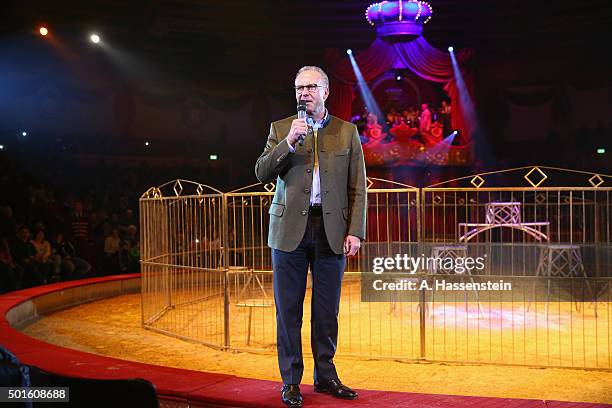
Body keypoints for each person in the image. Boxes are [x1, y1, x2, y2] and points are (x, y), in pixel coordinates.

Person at [255, 66, 366, 407]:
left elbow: (357, 186)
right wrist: (288, 142)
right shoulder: (281, 129)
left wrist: (356, 232)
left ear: (326, 91)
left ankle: (326, 376)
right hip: (289, 231)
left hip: (331, 231)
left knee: (326, 310)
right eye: (299, 87)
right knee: (287, 310)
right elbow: (261, 171)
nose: (304, 93)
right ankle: (290, 381)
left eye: (310, 87)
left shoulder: (347, 132)